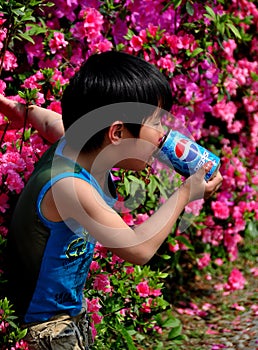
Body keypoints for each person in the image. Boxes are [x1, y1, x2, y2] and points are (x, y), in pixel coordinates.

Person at [1, 51, 223, 350]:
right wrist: (185, 194)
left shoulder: (74, 142)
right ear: (117, 133)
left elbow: (49, 120)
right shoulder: (70, 187)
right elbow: (138, 249)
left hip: (66, 318)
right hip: (44, 330)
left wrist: (24, 111)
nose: (163, 137)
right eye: (156, 124)